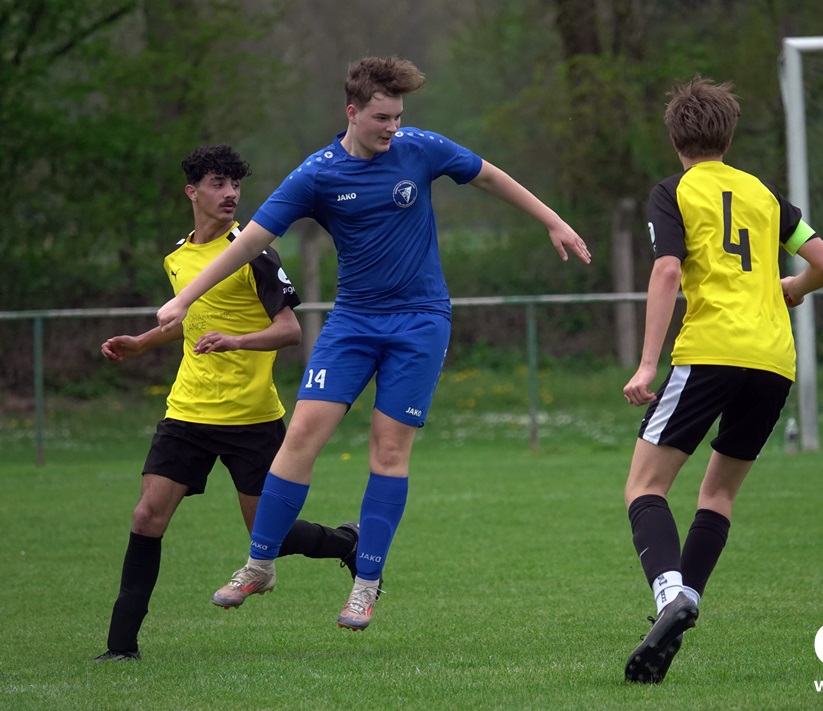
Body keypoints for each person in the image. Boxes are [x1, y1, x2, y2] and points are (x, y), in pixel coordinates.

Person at [155, 57, 591, 632]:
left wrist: (552, 219)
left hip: (420, 323)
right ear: (352, 112)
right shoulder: (317, 174)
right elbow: (249, 242)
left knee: (388, 452)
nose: (393, 128)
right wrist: (185, 300)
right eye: (382, 118)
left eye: (399, 116)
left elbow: (488, 175)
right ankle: (259, 565)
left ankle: (364, 585)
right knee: (301, 438)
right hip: (353, 323)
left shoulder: (420, 149)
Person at [95, 145, 360, 663]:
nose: (230, 193)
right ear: (192, 192)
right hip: (187, 412)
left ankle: (348, 542)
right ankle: (121, 647)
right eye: (218, 183)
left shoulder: (254, 252)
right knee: (147, 516)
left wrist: (236, 341)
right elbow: (189, 323)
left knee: (270, 536)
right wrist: (141, 343)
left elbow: (289, 330)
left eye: (235, 184)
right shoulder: (178, 258)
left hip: (251, 418)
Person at [620, 78, 823, 684]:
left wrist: (647, 365)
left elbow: (668, 272)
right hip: (773, 360)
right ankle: (683, 602)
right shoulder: (764, 195)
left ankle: (671, 595)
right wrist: (791, 288)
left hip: (711, 351)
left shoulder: (673, 191)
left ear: (675, 139)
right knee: (717, 496)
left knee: (644, 486)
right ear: (729, 137)